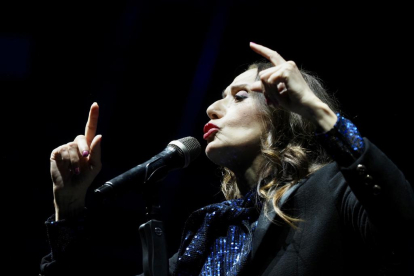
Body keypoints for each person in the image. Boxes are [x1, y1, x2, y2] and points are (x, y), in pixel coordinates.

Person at [39, 42, 414, 276]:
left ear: (284, 109)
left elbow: (403, 219)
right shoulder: (207, 238)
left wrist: (318, 112)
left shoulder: (330, 192)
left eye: (238, 96)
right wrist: (68, 207)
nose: (212, 108)